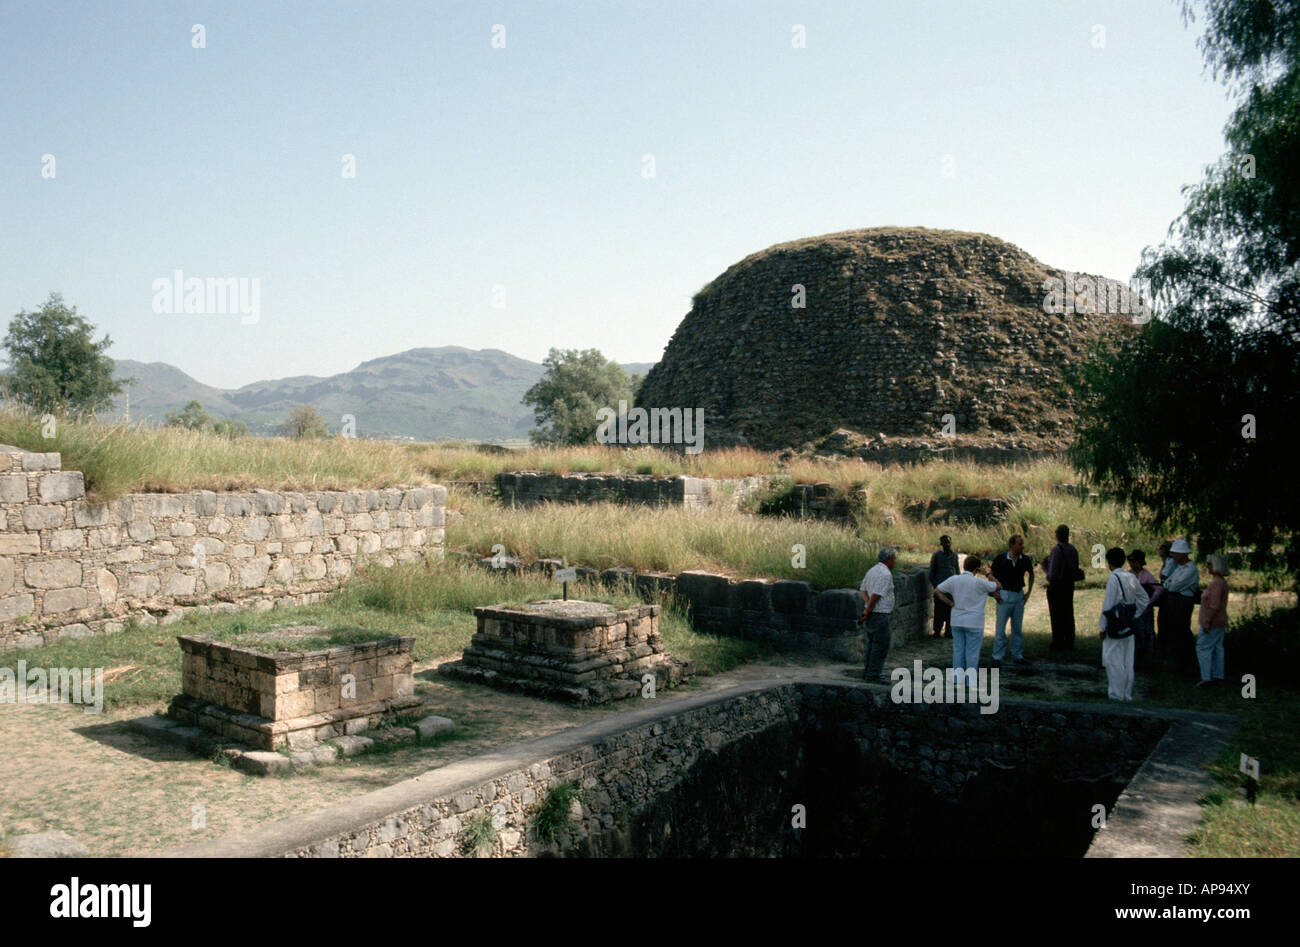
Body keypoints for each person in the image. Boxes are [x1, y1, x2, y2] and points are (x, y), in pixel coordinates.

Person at [934, 555, 1001, 688]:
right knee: (972, 652)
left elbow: (937, 590)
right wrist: (988, 574)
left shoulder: (954, 579)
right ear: (977, 569)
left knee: (958, 650)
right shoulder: (980, 583)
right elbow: (998, 586)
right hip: (974, 621)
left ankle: (956, 679)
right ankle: (970, 681)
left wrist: (950, 603)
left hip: (957, 619)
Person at [1099, 547, 1149, 701]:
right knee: (1127, 660)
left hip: (1115, 623)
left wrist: (1102, 626)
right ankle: (1127, 693)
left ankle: (1116, 694)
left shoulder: (1114, 578)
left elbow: (1108, 604)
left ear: (1109, 563)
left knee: (1113, 658)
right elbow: (1144, 598)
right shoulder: (1131, 576)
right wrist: (1134, 615)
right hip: (1128, 622)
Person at [990, 534, 1034, 667]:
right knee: (1000, 628)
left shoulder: (1025, 559)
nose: (1022, 546)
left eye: (1022, 544)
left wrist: (1028, 593)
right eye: (1020, 544)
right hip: (1004, 594)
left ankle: (1017, 655)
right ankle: (997, 656)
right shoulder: (1001, 558)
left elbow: (1031, 574)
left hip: (1018, 595)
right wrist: (994, 592)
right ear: (1012, 545)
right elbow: (991, 575)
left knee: (1017, 628)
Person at [859, 547, 897, 683]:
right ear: (889, 560)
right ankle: (873, 674)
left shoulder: (872, 570)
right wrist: (868, 609)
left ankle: (868, 671)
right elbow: (876, 595)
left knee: (871, 644)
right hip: (880, 613)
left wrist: (867, 605)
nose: (895, 562)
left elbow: (863, 590)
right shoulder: (885, 574)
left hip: (872, 613)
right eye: (894, 559)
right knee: (880, 645)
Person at [1162, 539, 1199, 674]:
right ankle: (1178, 661)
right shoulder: (1179, 568)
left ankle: (1187, 662)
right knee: (1174, 629)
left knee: (1182, 629)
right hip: (1175, 599)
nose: (1173, 556)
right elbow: (1167, 582)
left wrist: (1170, 585)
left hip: (1184, 601)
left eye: (1176, 554)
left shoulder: (1191, 569)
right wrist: (1169, 585)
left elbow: (1174, 585)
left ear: (1183, 554)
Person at [1042, 524, 1081, 652]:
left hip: (1057, 585)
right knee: (1068, 612)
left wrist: (1046, 571)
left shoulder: (1056, 550)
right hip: (1069, 584)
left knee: (1056, 614)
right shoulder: (1073, 549)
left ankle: (1058, 641)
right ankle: (1069, 640)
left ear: (1057, 534)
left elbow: (1052, 572)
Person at [1196, 554, 1230, 688]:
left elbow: (1214, 605)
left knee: (1203, 648)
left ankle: (1206, 678)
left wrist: (1207, 621)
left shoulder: (1216, 583)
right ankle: (1218, 675)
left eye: (1209, 563)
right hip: (1221, 621)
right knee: (1217, 648)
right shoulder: (1221, 582)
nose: (1207, 566)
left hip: (1213, 622)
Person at [1127, 550, 1160, 668]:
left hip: (1145, 609)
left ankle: (1148, 655)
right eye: (1130, 560)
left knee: (1147, 632)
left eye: (1133, 561)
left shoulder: (1146, 576)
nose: (1131, 563)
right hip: (1132, 608)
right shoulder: (1129, 574)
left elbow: (1158, 589)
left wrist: (1150, 602)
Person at [928, 535, 959, 638]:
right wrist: (936, 587)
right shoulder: (937, 556)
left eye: (949, 542)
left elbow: (957, 570)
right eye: (945, 542)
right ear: (941, 544)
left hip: (952, 588)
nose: (947, 544)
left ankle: (949, 631)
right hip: (940, 587)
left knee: (950, 609)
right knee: (939, 610)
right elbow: (931, 572)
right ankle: (937, 630)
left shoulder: (954, 555)